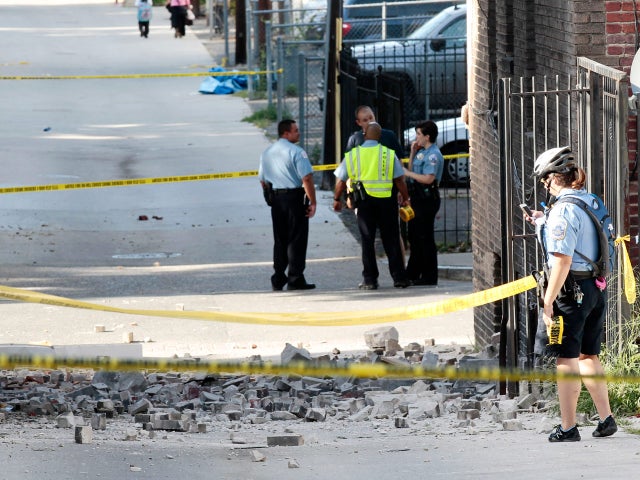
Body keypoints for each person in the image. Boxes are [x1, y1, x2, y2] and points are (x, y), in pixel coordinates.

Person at [525, 145, 617, 442]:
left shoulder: (562, 210)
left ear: (552, 178)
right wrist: (543, 221)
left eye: (544, 181)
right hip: (595, 287)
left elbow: (562, 260)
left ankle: (567, 427)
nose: (545, 186)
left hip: (570, 292)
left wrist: (548, 301)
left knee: (566, 358)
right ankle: (606, 419)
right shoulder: (588, 200)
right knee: (589, 354)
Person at [333, 122, 411, 290]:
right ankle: (399, 278)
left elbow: (340, 180)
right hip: (386, 201)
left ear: (365, 135)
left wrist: (336, 199)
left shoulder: (353, 155)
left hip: (364, 202)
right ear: (380, 137)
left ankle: (370, 279)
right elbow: (400, 180)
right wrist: (406, 198)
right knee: (391, 240)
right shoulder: (389, 154)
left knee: (367, 241)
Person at [258, 119, 317, 291]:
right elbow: (306, 178)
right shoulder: (298, 152)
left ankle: (278, 276)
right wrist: (312, 201)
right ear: (286, 133)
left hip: (277, 199)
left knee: (280, 239)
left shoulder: (267, 153)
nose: (298, 133)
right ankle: (295, 277)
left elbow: (262, 180)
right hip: (294, 198)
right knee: (296, 239)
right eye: (295, 130)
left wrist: (269, 195)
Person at [403, 121, 444, 285]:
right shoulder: (422, 152)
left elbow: (428, 178)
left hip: (427, 198)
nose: (416, 137)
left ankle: (429, 276)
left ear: (427, 136)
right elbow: (413, 169)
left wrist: (408, 174)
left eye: (418, 134)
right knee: (414, 235)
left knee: (425, 237)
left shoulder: (433, 155)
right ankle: (413, 272)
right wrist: (412, 153)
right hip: (417, 198)